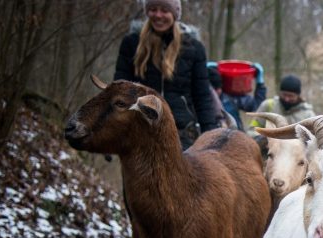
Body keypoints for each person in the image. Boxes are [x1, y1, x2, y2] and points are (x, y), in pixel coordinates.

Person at [114, 0, 217, 149]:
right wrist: (115, 130)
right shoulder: (131, 43)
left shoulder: (193, 48)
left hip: (182, 133)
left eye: (164, 10)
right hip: (139, 131)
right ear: (147, 11)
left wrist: (211, 136)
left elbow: (202, 96)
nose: (158, 15)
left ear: (174, 14)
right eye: (153, 9)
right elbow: (119, 91)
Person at [207, 62, 266, 131]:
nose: (216, 92)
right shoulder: (199, 100)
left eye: (218, 88)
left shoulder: (231, 98)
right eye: (212, 89)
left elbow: (257, 106)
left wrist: (260, 84)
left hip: (236, 136)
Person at [247, 75, 314, 135]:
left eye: (291, 96)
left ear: (298, 96)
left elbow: (312, 139)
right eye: (284, 94)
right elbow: (252, 131)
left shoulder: (308, 115)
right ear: (279, 92)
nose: (286, 99)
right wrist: (265, 139)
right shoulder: (268, 105)